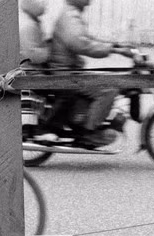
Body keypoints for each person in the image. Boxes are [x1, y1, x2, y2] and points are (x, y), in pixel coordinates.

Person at [48, 0, 131, 147]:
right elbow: (82, 44)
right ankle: (88, 133)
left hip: (70, 71)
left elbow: (87, 38)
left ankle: (91, 122)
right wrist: (112, 50)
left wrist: (115, 46)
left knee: (107, 81)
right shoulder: (69, 16)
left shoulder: (71, 14)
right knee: (108, 90)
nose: (88, 2)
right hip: (66, 74)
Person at [18, 0, 49, 68]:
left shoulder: (28, 19)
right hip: (30, 71)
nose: (44, 4)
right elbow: (30, 54)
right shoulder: (27, 24)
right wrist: (48, 53)